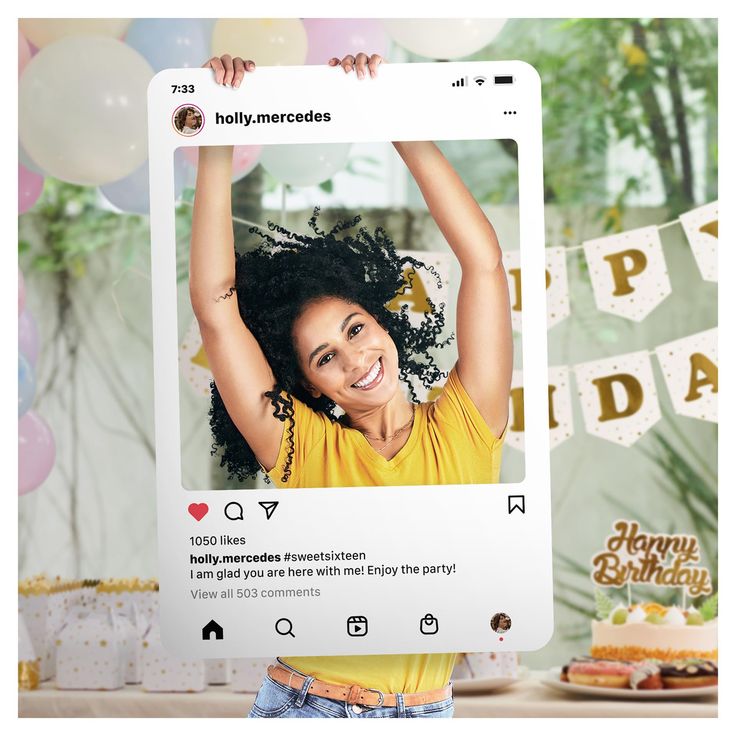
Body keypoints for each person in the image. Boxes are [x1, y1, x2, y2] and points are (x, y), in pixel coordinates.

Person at [192, 52, 513, 719]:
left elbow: (483, 261)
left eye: (357, 328)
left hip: (428, 710)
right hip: (308, 707)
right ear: (310, 387)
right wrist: (215, 132)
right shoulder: (301, 448)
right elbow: (218, 312)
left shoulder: (467, 423)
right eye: (326, 357)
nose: (357, 358)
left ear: (381, 320)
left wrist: (392, 114)